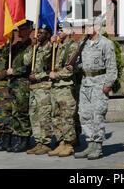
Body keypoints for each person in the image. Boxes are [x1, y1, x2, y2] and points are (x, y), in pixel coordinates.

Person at [74, 16, 117, 160]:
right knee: (84, 114)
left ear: (97, 27)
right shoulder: (84, 43)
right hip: (86, 82)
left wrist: (108, 84)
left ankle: (98, 146)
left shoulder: (106, 44)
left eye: (89, 25)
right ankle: (90, 144)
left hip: (99, 82)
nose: (86, 28)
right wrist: (74, 67)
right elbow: (82, 63)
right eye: (85, 25)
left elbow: (112, 66)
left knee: (97, 115)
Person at [47, 22, 79, 157]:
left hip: (66, 86)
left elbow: (70, 69)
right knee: (56, 116)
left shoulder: (73, 46)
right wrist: (51, 45)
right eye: (59, 29)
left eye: (63, 29)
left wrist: (57, 74)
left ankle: (69, 143)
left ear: (71, 31)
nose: (60, 31)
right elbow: (45, 60)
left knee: (67, 116)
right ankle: (61, 142)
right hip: (56, 87)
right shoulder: (57, 46)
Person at [25, 25, 53, 155]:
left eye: (42, 33)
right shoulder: (36, 47)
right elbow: (26, 62)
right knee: (34, 115)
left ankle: (46, 142)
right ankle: (38, 142)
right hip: (34, 87)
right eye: (39, 32)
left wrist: (37, 76)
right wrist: (32, 47)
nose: (39, 35)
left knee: (44, 115)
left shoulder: (50, 48)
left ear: (48, 35)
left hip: (43, 86)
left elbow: (50, 67)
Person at [6, 20, 33, 152]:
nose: (19, 32)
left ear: (29, 30)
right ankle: (18, 137)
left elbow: (28, 66)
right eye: (18, 29)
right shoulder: (16, 46)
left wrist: (15, 71)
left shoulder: (31, 46)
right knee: (15, 112)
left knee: (22, 112)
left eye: (22, 29)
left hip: (23, 83)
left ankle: (25, 139)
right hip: (14, 83)